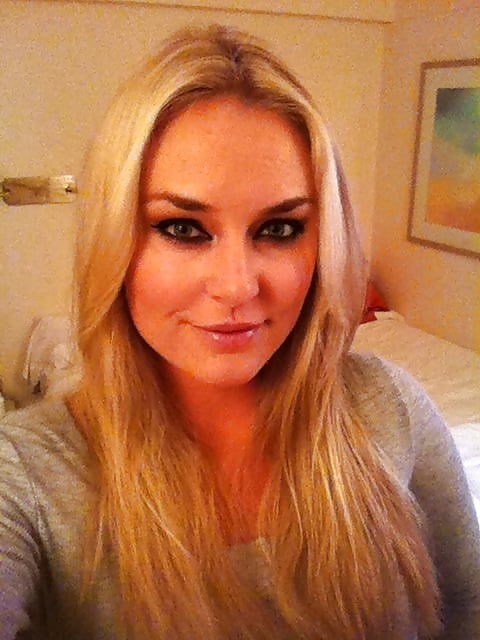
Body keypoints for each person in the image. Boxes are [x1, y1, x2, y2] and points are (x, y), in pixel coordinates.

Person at [0, 25, 479, 640]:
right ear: (113, 241)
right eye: (182, 228)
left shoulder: (390, 409)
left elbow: (468, 605)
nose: (236, 287)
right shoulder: (28, 476)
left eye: (279, 230)